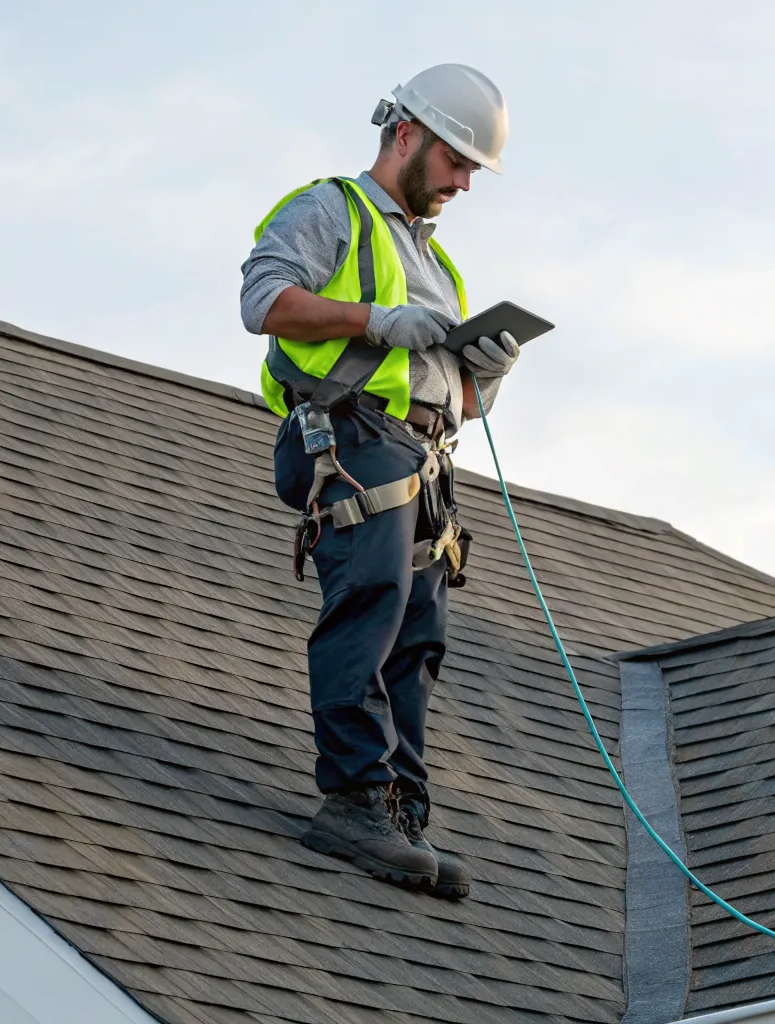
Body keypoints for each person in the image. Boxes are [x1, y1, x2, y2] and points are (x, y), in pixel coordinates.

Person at [239, 64, 518, 899]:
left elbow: (460, 400)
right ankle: (353, 797)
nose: (465, 183)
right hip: (349, 436)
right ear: (407, 135)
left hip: (424, 457)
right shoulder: (333, 211)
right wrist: (374, 321)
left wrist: (488, 375)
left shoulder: (444, 269)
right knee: (373, 600)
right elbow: (265, 301)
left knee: (418, 631)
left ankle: (400, 809)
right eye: (457, 161)